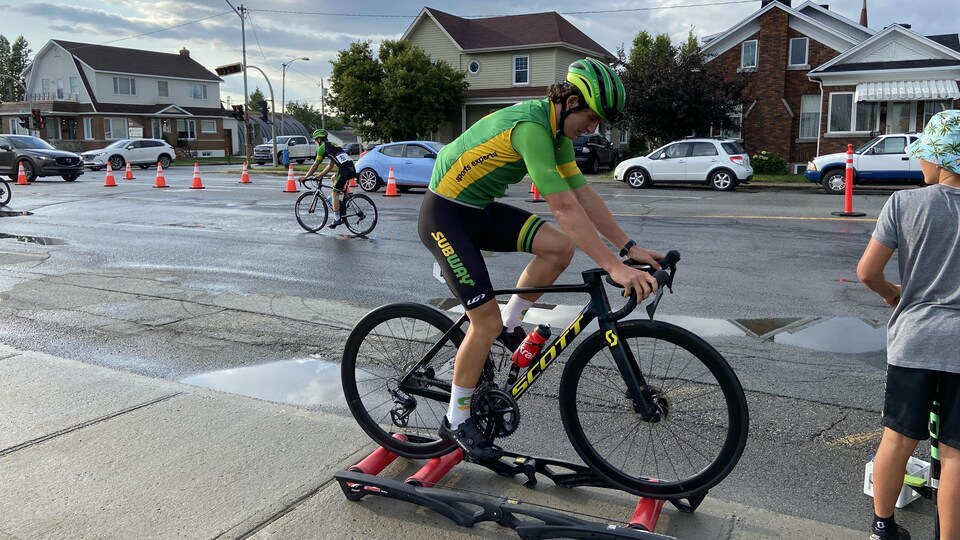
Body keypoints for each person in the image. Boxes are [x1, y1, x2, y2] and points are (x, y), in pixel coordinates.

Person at [418, 58, 663, 460]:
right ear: (569, 101)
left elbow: (584, 196)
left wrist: (627, 248)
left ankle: (509, 325)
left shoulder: (557, 135)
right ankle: (457, 418)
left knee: (558, 248)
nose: (592, 129)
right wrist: (613, 267)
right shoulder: (532, 128)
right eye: (591, 117)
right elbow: (564, 207)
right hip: (444, 216)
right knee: (483, 321)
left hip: (477, 210)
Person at [856, 109, 960, 540]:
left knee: (897, 438)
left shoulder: (904, 203)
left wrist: (893, 295)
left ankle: (884, 527)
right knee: (955, 454)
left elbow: (867, 272)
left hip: (914, 340)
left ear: (940, 160)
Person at [300, 129, 356, 229]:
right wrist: (320, 175)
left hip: (344, 171)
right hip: (352, 168)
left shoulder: (322, 148)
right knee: (333, 177)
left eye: (316, 140)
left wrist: (306, 177)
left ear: (319, 139)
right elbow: (330, 166)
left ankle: (337, 218)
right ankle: (341, 202)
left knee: (334, 193)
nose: (316, 142)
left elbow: (315, 165)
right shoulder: (333, 145)